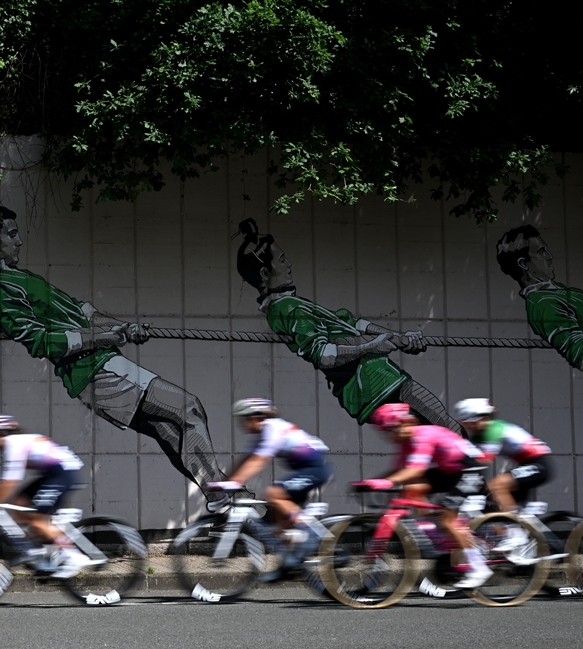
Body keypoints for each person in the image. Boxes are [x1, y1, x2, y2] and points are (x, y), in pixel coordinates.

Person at [0, 204, 232, 513]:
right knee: (188, 408)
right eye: (11, 235)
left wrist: (123, 328)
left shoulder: (12, 275)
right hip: (94, 370)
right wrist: (106, 337)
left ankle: (224, 495)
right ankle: (223, 497)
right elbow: (42, 342)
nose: (19, 241)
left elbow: (83, 312)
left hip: (100, 365)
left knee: (169, 432)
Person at [235, 218, 464, 433]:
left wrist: (399, 337)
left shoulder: (291, 304)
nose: (289, 263)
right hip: (372, 386)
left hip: (380, 379)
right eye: (282, 260)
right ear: (265, 272)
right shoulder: (286, 309)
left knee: (441, 433)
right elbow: (323, 355)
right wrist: (373, 346)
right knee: (446, 433)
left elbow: (353, 323)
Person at [363, 403, 492, 589]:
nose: (390, 436)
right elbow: (399, 471)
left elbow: (416, 470)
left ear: (407, 422)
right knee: (411, 487)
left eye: (392, 429)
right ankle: (434, 527)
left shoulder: (422, 435)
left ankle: (479, 569)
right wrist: (371, 482)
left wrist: (387, 482)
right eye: (386, 432)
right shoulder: (405, 442)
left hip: (469, 470)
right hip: (449, 471)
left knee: (447, 520)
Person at [209, 398, 332, 579]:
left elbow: (258, 461)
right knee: (280, 524)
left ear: (258, 417)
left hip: (316, 469)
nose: (243, 424)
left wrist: (235, 483)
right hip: (305, 470)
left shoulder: (273, 428)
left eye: (245, 418)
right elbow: (246, 460)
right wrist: (226, 481)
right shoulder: (262, 434)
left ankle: (312, 536)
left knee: (273, 494)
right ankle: (290, 563)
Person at [0, 414, 98, 578]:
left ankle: (74, 557)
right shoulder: (14, 443)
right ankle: (40, 551)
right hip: (53, 474)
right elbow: (5, 483)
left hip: (62, 473)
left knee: (37, 521)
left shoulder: (13, 443)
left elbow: (10, 482)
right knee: (19, 503)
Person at [452, 398, 552, 549]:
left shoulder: (494, 429)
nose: (468, 428)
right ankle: (521, 543)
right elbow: (467, 462)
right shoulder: (478, 435)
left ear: (481, 418)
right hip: (526, 465)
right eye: (465, 425)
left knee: (496, 486)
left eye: (470, 423)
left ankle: (515, 534)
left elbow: (483, 459)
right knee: (491, 494)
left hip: (539, 464)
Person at [496, 225, 583, 369]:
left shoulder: (558, 292)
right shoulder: (544, 304)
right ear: (523, 263)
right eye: (541, 252)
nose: (549, 256)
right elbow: (577, 350)